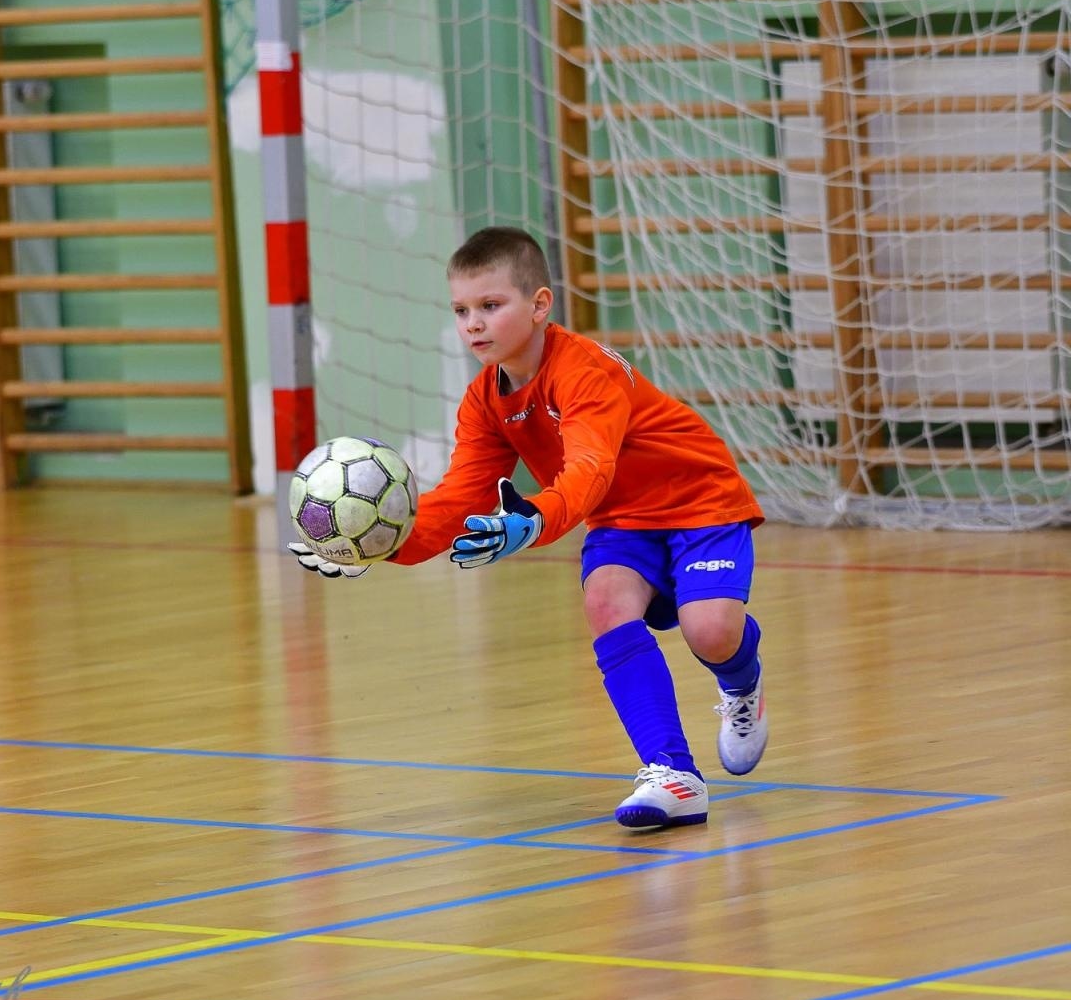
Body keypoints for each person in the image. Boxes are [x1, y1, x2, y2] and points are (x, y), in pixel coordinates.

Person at [290, 226, 768, 829]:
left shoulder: (585, 371)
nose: (474, 324)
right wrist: (378, 543)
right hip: (623, 520)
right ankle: (672, 774)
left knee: (710, 632)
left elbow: (589, 469)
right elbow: (459, 498)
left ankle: (741, 680)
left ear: (540, 305)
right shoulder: (484, 401)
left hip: (701, 501)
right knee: (605, 601)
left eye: (490, 305)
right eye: (461, 311)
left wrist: (535, 518)